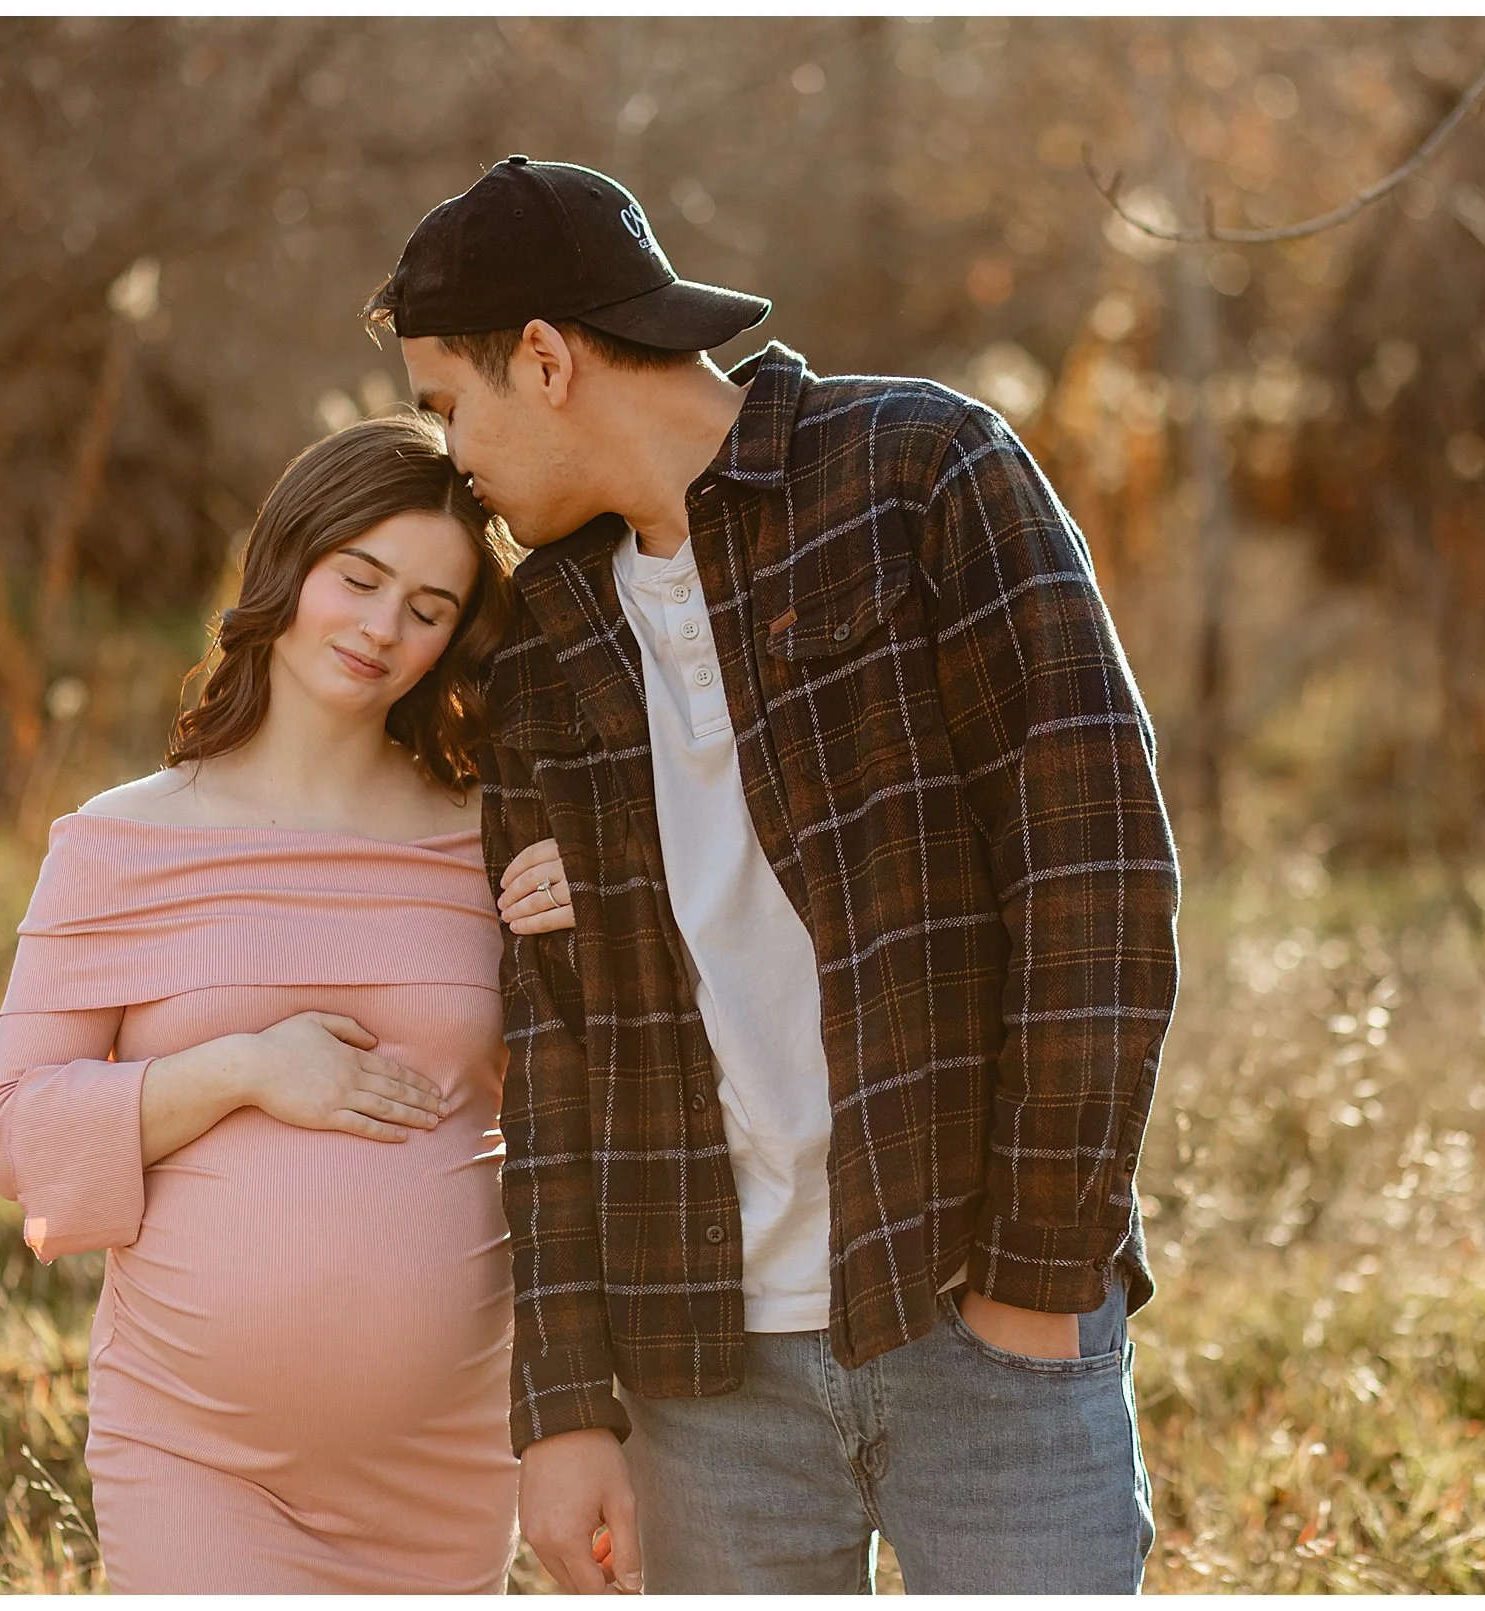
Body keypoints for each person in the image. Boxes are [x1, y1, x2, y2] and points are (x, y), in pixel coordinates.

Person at [365, 158, 1183, 1594]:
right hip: (703, 1379)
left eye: (449, 404)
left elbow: (1096, 878)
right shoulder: (547, 639)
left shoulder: (921, 472)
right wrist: (563, 1404)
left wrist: (1038, 1276)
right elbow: (556, 1047)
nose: (454, 454)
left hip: (975, 1315)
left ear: (545, 360)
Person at [0, 414, 566, 1592]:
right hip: (197, 1453)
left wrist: (592, 913)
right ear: (288, 563)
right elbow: (15, 1134)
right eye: (360, 579)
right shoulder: (122, 842)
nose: (382, 629)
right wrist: (241, 1070)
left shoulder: (493, 836)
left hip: (445, 1455)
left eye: (429, 608)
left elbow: (585, 1101)